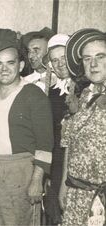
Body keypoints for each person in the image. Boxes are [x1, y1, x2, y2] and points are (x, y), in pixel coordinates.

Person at [0, 28, 53, 225]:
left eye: (11, 63)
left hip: (20, 172)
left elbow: (45, 143)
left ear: (21, 65)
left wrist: (37, 179)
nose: (4, 69)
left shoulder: (33, 95)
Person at [59, 28, 106, 226]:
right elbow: (69, 143)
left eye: (100, 56)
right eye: (87, 59)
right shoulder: (81, 96)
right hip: (76, 194)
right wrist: (63, 185)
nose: (93, 64)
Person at [42, 33, 72, 225]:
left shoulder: (87, 89)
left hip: (75, 164)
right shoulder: (52, 93)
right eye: (55, 60)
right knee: (54, 214)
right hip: (56, 162)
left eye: (64, 58)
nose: (60, 64)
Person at [23, 27, 56, 94]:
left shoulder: (60, 82)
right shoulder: (24, 82)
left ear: (48, 52)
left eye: (36, 51)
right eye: (29, 51)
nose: (30, 56)